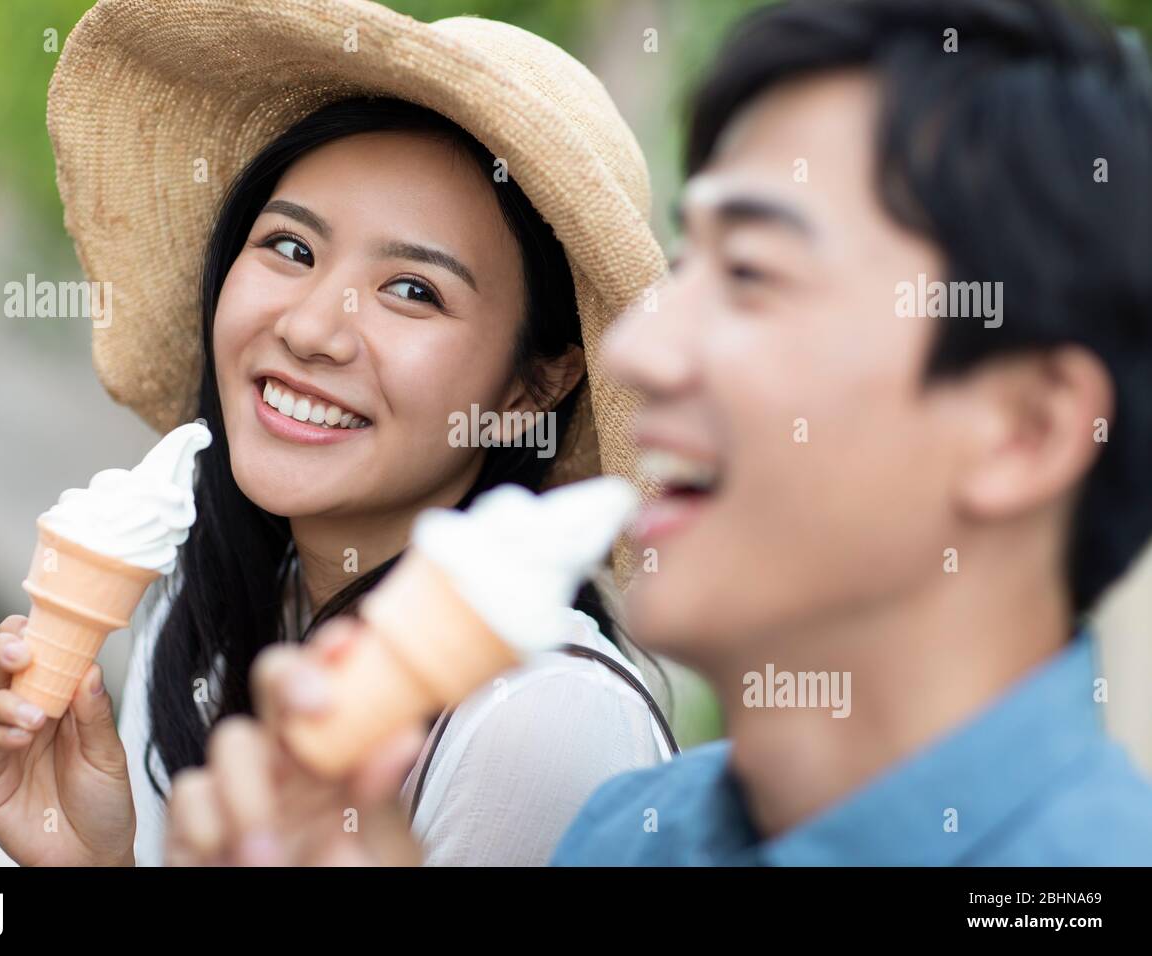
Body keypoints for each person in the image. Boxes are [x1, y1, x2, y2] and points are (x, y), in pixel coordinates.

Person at [166, 0, 1152, 866]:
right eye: (688, 270)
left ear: (1022, 431)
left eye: (754, 275)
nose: (637, 349)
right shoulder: (629, 834)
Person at [0, 0, 676, 867]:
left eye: (413, 290)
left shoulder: (536, 719)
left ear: (537, 381)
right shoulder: (193, 616)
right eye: (293, 249)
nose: (311, 330)